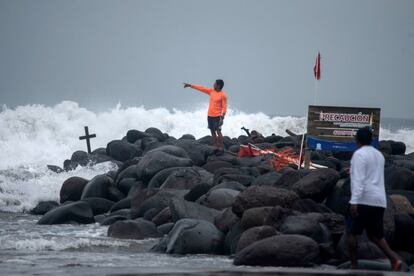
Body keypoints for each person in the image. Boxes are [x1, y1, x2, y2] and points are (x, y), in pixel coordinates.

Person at [347, 127, 401, 271]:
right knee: (375, 235)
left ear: (357, 140)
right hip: (379, 200)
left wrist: (354, 202)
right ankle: (394, 260)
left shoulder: (359, 155)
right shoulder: (379, 155)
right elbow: (372, 174)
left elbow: (359, 180)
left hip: (364, 199)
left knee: (352, 233)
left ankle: (353, 266)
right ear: (371, 140)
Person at [183, 80, 227, 152]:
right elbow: (202, 88)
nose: (213, 85)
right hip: (210, 115)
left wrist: (222, 117)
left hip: (218, 116)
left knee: (218, 131)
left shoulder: (223, 95)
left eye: (215, 84)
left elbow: (224, 107)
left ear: (218, 86)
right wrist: (191, 85)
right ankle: (216, 146)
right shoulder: (211, 91)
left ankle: (221, 147)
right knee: (212, 131)